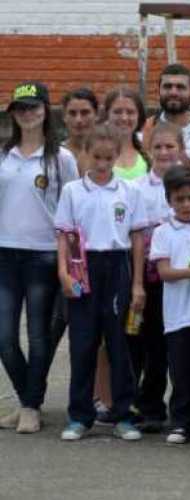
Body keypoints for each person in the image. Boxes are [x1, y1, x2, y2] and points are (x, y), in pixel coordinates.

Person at [55, 124, 147, 442]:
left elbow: (136, 238)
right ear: (86, 154)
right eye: (97, 157)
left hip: (117, 265)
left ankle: (123, 414)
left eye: (109, 158)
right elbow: (64, 237)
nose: (103, 164)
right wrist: (63, 273)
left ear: (117, 156)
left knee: (119, 342)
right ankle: (80, 415)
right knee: (83, 343)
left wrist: (137, 284)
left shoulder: (129, 191)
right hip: (83, 266)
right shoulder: (72, 191)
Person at [0, 82, 79, 433]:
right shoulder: (4, 154)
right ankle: (27, 396)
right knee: (4, 336)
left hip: (44, 256)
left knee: (38, 335)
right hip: (5, 252)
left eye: (33, 107)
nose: (27, 114)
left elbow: (72, 212)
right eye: (20, 108)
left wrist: (71, 262)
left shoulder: (61, 158)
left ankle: (31, 406)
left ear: (47, 111)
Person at [129, 122, 188, 433]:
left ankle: (187, 407)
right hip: (150, 279)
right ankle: (149, 405)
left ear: (181, 149)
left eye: (170, 146)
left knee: (179, 344)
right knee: (149, 343)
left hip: (183, 279)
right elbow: (134, 233)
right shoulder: (137, 188)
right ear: (148, 150)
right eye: (158, 147)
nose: (164, 152)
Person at [149, 165, 190, 444]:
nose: (186, 204)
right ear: (169, 200)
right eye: (179, 199)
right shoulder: (162, 232)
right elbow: (164, 273)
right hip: (178, 314)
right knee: (182, 369)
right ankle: (182, 420)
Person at [104, 87, 148, 181]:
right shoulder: (93, 154)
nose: (124, 118)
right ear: (107, 115)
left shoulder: (149, 156)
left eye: (130, 112)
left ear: (139, 116)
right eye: (117, 112)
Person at [62, 88, 99, 169]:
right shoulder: (54, 155)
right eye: (72, 113)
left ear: (96, 115)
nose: (78, 120)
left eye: (85, 113)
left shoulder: (108, 152)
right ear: (64, 117)